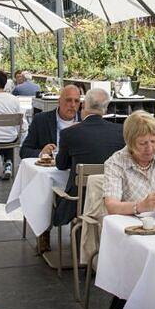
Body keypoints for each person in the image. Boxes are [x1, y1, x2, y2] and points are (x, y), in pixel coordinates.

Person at [54, 88, 124, 226]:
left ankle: (45, 236)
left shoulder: (69, 133)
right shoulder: (120, 131)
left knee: (49, 193)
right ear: (105, 109)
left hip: (79, 201)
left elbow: (61, 165)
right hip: (113, 198)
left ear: (84, 105)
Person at [20, 84, 81, 159]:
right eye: (68, 100)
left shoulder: (85, 122)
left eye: (77, 101)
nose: (73, 105)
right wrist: (42, 153)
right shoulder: (41, 120)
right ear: (59, 101)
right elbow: (24, 151)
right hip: (50, 168)